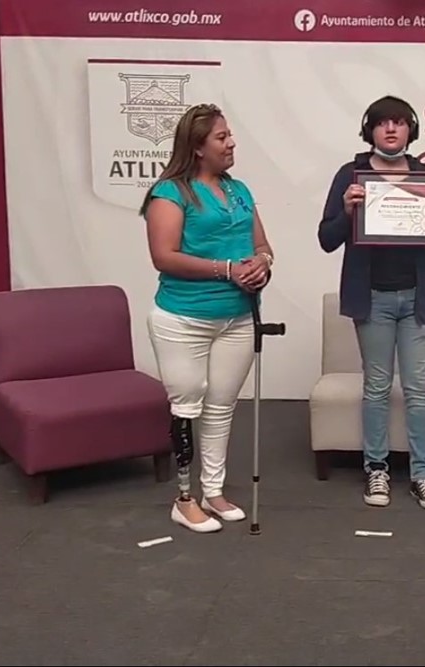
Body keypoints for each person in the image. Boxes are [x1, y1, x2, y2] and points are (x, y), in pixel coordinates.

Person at [140, 103, 274, 534]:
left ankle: (212, 491)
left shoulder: (239, 190)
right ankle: (184, 500)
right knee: (187, 404)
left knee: (221, 407)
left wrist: (262, 264)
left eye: (229, 135)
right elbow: (164, 256)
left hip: (237, 318)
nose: (232, 143)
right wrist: (227, 270)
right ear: (197, 147)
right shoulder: (170, 193)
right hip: (183, 319)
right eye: (222, 137)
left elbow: (262, 246)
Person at [317, 95, 425, 510]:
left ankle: (422, 475)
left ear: (411, 129)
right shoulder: (351, 175)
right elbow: (326, 239)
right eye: (382, 123)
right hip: (372, 298)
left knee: (418, 390)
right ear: (370, 130)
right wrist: (346, 211)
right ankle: (376, 469)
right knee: (376, 388)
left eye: (398, 122)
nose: (391, 129)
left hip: (417, 298)